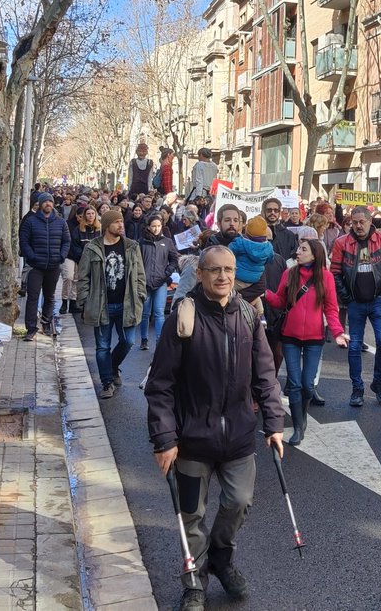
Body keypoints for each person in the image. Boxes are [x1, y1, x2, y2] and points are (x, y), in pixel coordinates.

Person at [145, 245, 285, 611]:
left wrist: (274, 423)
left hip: (238, 437)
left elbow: (265, 376)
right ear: (200, 274)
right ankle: (194, 582)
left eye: (229, 270)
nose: (223, 276)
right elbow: (160, 385)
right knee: (191, 515)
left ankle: (221, 557)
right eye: (214, 270)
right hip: (192, 439)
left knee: (239, 501)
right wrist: (164, 439)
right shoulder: (184, 317)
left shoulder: (248, 316)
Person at [264, 238, 347, 446]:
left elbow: (331, 308)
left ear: (314, 254)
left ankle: (302, 416)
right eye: (299, 249)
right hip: (290, 337)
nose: (298, 252)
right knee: (294, 383)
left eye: (303, 249)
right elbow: (281, 301)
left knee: (308, 385)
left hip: (314, 338)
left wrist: (337, 332)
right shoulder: (289, 273)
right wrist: (266, 295)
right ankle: (298, 427)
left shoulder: (326, 277)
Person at [330, 205, 381, 407]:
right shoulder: (341, 243)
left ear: (370, 221)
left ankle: (378, 383)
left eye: (362, 222)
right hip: (355, 302)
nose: (359, 226)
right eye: (355, 222)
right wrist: (347, 298)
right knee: (354, 346)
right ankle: (357, 388)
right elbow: (335, 273)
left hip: (377, 301)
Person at [77, 209, 146, 399]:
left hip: (127, 304)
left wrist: (140, 295)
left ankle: (113, 366)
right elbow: (83, 277)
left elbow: (140, 274)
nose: (121, 225)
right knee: (102, 347)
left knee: (128, 341)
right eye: (116, 222)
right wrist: (84, 300)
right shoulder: (92, 248)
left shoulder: (132, 246)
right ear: (107, 226)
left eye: (121, 221)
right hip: (101, 305)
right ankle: (107, 382)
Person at [18, 192, 71, 342]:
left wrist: (61, 256)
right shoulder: (30, 221)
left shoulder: (61, 222)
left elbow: (67, 241)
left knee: (50, 296)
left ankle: (46, 323)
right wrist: (32, 256)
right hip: (35, 266)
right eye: (45, 201)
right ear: (40, 204)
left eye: (50, 201)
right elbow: (24, 242)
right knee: (32, 297)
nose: (48, 204)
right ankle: (31, 329)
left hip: (53, 266)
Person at [138, 214, 179, 350]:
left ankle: (159, 341)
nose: (156, 229)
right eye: (153, 226)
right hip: (145, 283)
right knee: (145, 313)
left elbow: (174, 259)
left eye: (158, 226)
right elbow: (137, 261)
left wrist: (167, 272)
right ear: (148, 227)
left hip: (161, 281)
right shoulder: (142, 242)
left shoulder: (167, 242)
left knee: (159, 313)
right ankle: (144, 339)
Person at [64, 206, 101, 315]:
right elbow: (74, 245)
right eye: (88, 214)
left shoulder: (100, 230)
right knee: (76, 281)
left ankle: (90, 307)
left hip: (95, 261)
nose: (91, 216)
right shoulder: (78, 230)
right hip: (80, 259)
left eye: (92, 213)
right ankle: (72, 303)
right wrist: (84, 256)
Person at [227, 215, 276, 295]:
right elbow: (270, 259)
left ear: (247, 230)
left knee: (224, 291)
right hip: (255, 279)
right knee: (255, 297)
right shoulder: (268, 247)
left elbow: (228, 252)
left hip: (238, 277)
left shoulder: (240, 242)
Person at [261, 196, 298, 260]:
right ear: (263, 212)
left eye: (276, 210)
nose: (272, 213)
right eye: (269, 210)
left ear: (279, 213)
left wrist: (286, 265)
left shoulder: (289, 235)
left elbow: (294, 256)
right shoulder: (256, 233)